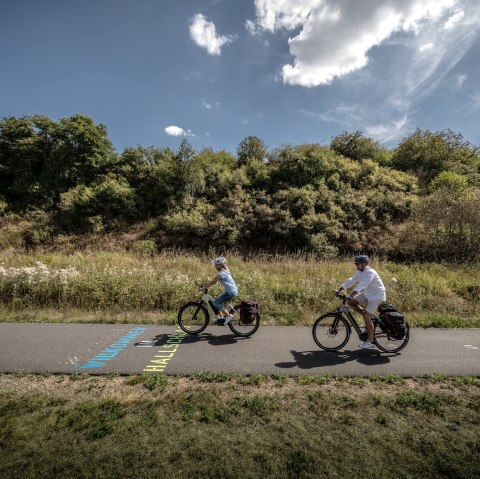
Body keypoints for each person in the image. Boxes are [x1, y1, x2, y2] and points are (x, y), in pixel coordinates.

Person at [335, 255, 386, 349]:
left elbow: (361, 286)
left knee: (366, 316)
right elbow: (351, 280)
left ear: (364, 264)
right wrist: (340, 289)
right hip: (368, 294)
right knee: (351, 302)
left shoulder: (370, 272)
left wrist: (351, 295)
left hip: (377, 296)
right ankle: (368, 319)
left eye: (357, 264)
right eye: (355, 263)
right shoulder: (359, 271)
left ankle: (370, 341)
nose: (356, 265)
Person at [200, 257, 238, 325]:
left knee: (216, 302)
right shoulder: (225, 270)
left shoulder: (222, 273)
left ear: (221, 265)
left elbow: (213, 282)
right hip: (230, 291)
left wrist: (204, 287)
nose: (215, 266)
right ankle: (221, 318)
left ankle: (228, 316)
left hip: (231, 292)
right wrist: (206, 284)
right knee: (216, 301)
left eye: (216, 264)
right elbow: (213, 281)